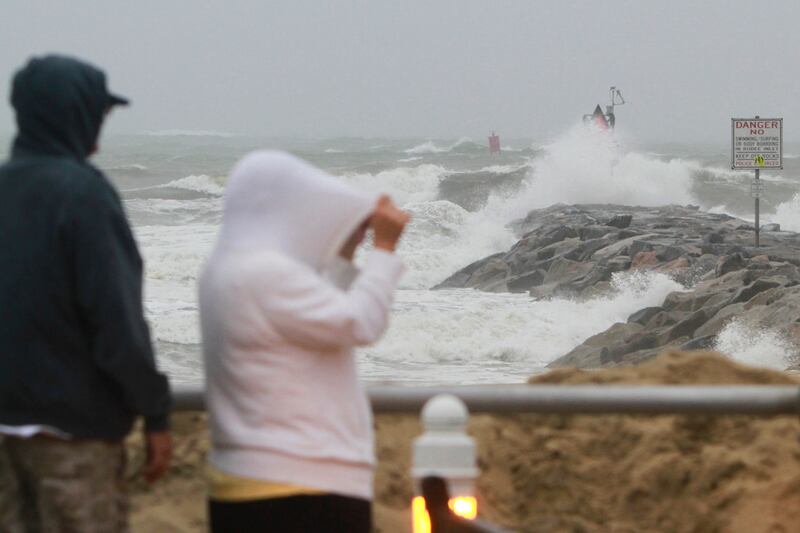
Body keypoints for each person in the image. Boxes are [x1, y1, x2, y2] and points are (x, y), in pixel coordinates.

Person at [0, 55, 172, 532]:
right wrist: (156, 412)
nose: (101, 122)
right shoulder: (84, 196)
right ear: (72, 113)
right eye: (98, 111)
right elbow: (116, 322)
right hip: (71, 440)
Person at [200, 151, 409, 533]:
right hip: (301, 485)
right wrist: (383, 250)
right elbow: (360, 322)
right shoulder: (264, 272)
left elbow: (316, 317)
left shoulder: (225, 268)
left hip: (247, 482)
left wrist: (344, 255)